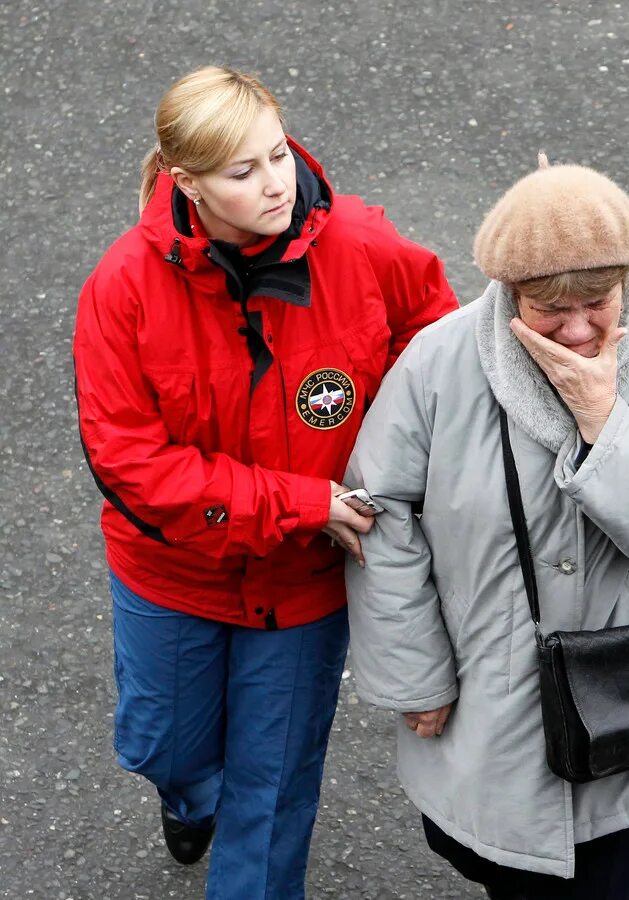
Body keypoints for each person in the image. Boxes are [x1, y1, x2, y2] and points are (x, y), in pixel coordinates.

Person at [72, 65, 458, 899]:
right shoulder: (121, 289)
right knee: (163, 746)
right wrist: (301, 500)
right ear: (187, 184)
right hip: (174, 575)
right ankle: (188, 793)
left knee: (275, 792)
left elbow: (436, 357)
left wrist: (389, 477)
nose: (276, 184)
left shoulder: (364, 245)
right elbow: (126, 460)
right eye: (242, 173)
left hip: (306, 582)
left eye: (278, 156)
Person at [344, 157, 629, 898]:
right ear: (509, 292)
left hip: (624, 693)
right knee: (473, 850)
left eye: (598, 301)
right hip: (487, 687)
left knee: (601, 875)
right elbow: (382, 518)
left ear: (626, 278)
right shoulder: (439, 363)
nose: (576, 331)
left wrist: (605, 421)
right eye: (548, 309)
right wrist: (414, 675)